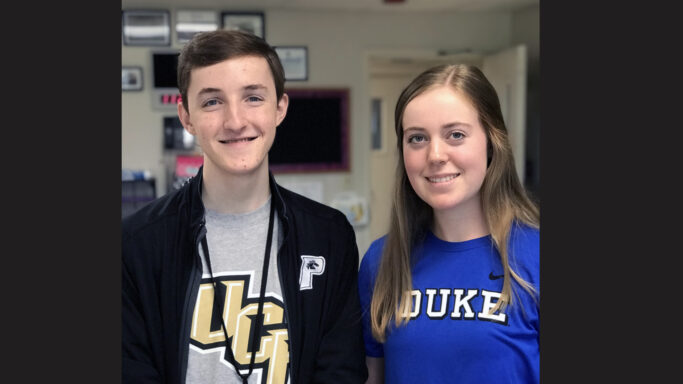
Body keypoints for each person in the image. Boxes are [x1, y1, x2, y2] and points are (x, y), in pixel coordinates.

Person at [122, 30, 368, 384]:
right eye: (211, 102)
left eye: (253, 97)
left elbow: (340, 371)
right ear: (186, 115)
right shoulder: (136, 244)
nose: (235, 121)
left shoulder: (328, 236)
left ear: (279, 108)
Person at [358, 64, 540, 383]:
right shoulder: (381, 260)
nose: (435, 155)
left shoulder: (535, 255)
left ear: (492, 142)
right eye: (417, 138)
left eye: (455, 134)